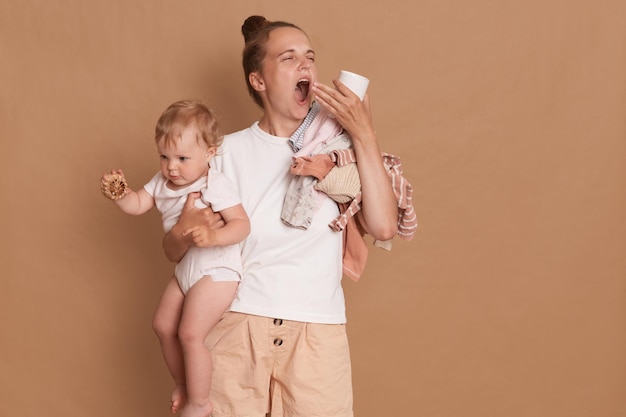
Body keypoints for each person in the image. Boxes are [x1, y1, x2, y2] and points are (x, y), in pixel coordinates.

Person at [163, 16, 398, 417]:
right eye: (288, 58)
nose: (305, 66)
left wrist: (365, 134)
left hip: (317, 335)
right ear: (258, 79)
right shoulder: (222, 154)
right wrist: (185, 232)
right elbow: (172, 248)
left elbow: (384, 226)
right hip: (237, 330)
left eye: (309, 57)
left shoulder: (340, 150)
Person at [101, 100, 250, 417]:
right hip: (187, 268)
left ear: (209, 154)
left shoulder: (214, 184)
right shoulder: (162, 181)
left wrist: (213, 236)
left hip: (216, 268)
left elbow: (241, 225)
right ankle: (184, 384)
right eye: (164, 156)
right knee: (162, 325)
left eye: (183, 158)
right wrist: (121, 194)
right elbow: (138, 204)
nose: (172, 166)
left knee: (190, 333)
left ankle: (199, 402)